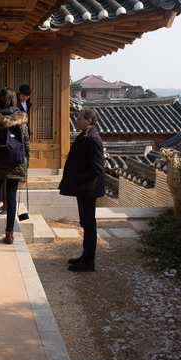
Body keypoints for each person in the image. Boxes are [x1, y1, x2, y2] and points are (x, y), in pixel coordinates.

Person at [58, 107, 105, 272]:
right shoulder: (86, 135)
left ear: (89, 121)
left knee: (89, 224)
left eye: (79, 118)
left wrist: (79, 178)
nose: (76, 120)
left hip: (88, 189)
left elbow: (98, 168)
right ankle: (85, 256)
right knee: (85, 223)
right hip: (83, 188)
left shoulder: (93, 139)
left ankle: (89, 261)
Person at [0, 87, 30, 244]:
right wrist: (26, 159)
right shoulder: (21, 120)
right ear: (14, 101)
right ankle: (9, 234)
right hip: (15, 162)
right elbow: (26, 142)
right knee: (11, 196)